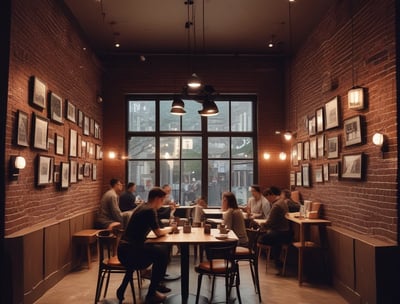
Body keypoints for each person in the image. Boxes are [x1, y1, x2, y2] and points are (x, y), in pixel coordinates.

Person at [117, 187, 173, 304]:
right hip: (131, 253)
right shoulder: (149, 210)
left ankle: (124, 288)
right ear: (158, 199)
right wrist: (171, 229)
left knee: (160, 249)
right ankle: (152, 293)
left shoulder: (142, 206)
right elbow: (158, 232)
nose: (162, 204)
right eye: (162, 200)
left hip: (124, 249)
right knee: (162, 254)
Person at [258, 186, 292, 273]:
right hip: (286, 233)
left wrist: (260, 224)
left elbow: (269, 223)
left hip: (281, 233)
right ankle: (277, 261)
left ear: (271, 195)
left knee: (260, 238)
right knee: (272, 239)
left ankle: (275, 261)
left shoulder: (276, 205)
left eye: (267, 197)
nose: (267, 200)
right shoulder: (282, 202)